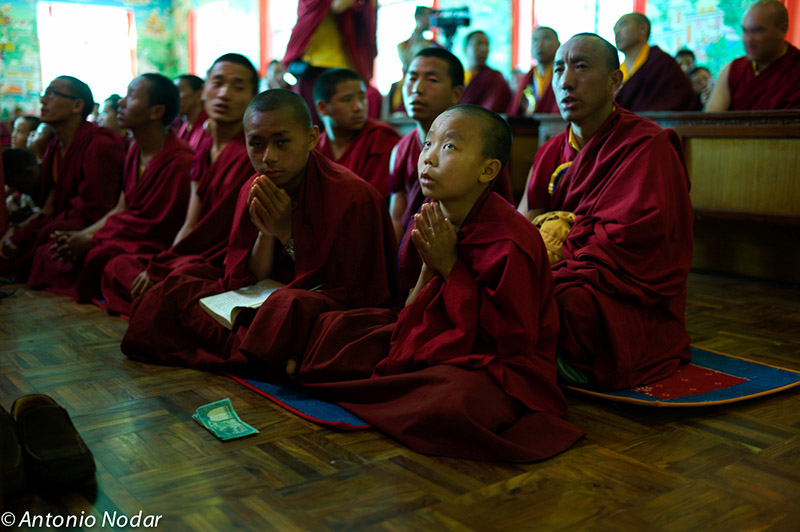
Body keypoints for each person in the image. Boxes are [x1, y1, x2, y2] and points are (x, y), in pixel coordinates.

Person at [291, 104, 584, 462]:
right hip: (432, 337)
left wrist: (450, 267)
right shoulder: (431, 216)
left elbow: (513, 338)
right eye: (428, 143)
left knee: (451, 403)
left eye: (449, 147)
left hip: (503, 367)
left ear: (487, 169)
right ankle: (374, 385)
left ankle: (365, 388)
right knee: (335, 328)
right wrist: (433, 270)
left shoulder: (510, 241)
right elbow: (410, 309)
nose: (428, 158)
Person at [120, 89, 398, 374]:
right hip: (265, 295)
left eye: (282, 142)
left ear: (312, 138)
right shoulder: (254, 188)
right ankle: (276, 356)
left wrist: (286, 234)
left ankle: (270, 352)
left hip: (314, 301)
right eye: (256, 144)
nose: (269, 157)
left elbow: (354, 290)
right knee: (173, 289)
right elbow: (251, 275)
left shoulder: (353, 196)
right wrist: (267, 232)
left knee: (287, 306)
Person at [518, 33, 694, 391]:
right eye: (558, 69)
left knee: (571, 305)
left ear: (616, 80)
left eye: (580, 66)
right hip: (566, 265)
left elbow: (645, 241)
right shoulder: (551, 150)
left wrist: (562, 245)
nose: (565, 81)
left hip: (618, 287)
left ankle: (553, 354)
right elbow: (523, 223)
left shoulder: (648, 145)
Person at [100, 53, 259, 316]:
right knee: (119, 265)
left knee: (175, 287)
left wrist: (169, 267)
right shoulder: (204, 147)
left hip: (228, 263)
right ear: (204, 90)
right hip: (194, 255)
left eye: (238, 87)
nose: (224, 94)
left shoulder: (252, 152)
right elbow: (190, 223)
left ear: (253, 95)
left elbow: (232, 238)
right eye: (217, 83)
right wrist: (166, 262)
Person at [26, 73, 193, 302]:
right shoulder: (135, 150)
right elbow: (121, 208)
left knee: (105, 259)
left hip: (153, 249)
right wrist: (83, 235)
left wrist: (93, 239)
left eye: (131, 96)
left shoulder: (181, 161)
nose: (121, 103)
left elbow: (158, 228)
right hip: (124, 238)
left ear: (156, 111)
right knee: (52, 251)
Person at [0, 76, 126, 280]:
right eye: (44, 94)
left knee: (47, 250)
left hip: (94, 226)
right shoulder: (54, 147)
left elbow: (98, 208)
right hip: (64, 222)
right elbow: (50, 208)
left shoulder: (101, 143)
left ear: (77, 105)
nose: (43, 101)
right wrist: (17, 230)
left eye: (53, 94)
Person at [389, 47, 513, 244]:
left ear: (456, 93)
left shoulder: (479, 146)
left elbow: (498, 212)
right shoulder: (400, 150)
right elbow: (397, 218)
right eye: (411, 78)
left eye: (432, 80)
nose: (417, 89)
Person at [282, 0, 378, 126]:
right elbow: (337, 6)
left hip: (344, 63)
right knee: (314, 123)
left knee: (348, 123)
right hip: (315, 67)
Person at [313, 68, 400, 198]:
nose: (359, 107)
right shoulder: (315, 147)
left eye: (362, 97)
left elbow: (376, 199)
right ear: (323, 107)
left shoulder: (380, 138)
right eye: (347, 100)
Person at [706, 0, 800, 111]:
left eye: (757, 31)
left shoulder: (796, 69)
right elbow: (711, 122)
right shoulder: (734, 70)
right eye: (745, 31)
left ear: (782, 29)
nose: (748, 40)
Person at [613, 13, 698, 111]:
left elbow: (682, 100)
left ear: (643, 28)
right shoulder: (617, 70)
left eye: (622, 25)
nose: (617, 32)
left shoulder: (662, 63)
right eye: (614, 29)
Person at [509, 27, 561, 116]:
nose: (539, 44)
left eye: (546, 39)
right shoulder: (526, 78)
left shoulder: (562, 75)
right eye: (535, 40)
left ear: (558, 45)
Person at [460, 30, 512, 113]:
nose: (484, 49)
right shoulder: (460, 76)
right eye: (479, 44)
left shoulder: (495, 78)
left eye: (486, 44)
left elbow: (490, 110)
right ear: (465, 49)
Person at [174, 74, 209, 149]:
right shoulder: (186, 123)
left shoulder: (208, 127)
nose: (173, 97)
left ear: (199, 95)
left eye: (178, 91)